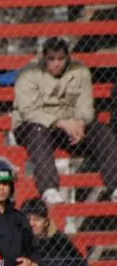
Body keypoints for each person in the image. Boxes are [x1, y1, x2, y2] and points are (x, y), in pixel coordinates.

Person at [13, 37, 117, 205]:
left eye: (61, 59)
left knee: (102, 131)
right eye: (51, 59)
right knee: (38, 131)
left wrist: (80, 123)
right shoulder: (29, 72)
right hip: (35, 125)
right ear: (43, 58)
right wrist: (61, 123)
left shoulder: (80, 71)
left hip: (71, 126)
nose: (56, 64)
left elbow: (86, 108)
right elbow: (28, 111)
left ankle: (115, 186)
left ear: (67, 57)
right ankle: (49, 189)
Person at [24, 199, 91, 266]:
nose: (31, 223)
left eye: (37, 219)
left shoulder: (59, 241)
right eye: (27, 219)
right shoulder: (16, 241)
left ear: (46, 222)